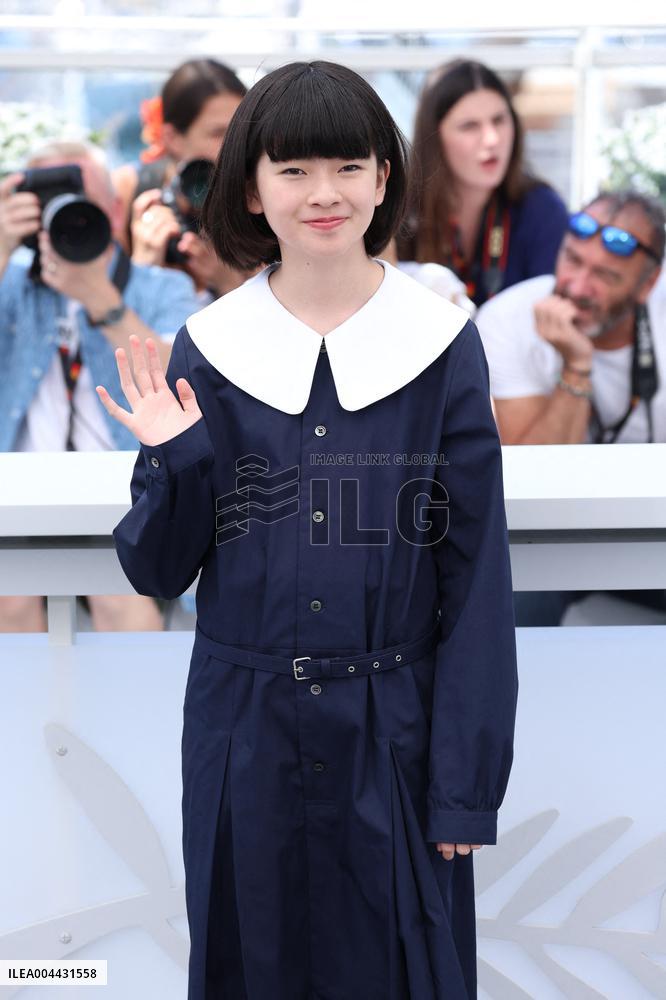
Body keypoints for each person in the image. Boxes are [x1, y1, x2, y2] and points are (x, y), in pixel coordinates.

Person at [97, 61, 518, 999]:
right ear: (252, 186)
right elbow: (160, 569)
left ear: (383, 179)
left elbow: (476, 576)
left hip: (394, 735)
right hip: (243, 735)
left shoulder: (441, 342)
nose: (323, 193)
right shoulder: (209, 345)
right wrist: (178, 457)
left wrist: (463, 786)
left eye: (347, 166)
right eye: (292, 169)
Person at [0, 140, 200, 632]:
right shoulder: (13, 280)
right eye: (51, 203)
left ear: (114, 209)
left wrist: (100, 299)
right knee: (10, 602)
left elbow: (185, 380)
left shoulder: (159, 286)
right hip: (21, 491)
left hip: (121, 494)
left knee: (120, 603)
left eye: (80, 199)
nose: (67, 216)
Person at [475, 190, 665, 626]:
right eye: (572, 259)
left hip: (656, 522)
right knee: (508, 604)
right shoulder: (508, 319)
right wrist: (576, 365)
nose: (577, 286)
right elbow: (529, 481)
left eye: (605, 275)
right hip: (557, 533)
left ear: (647, 284)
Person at [400, 59, 568, 308]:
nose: (491, 139)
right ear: (434, 138)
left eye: (499, 120)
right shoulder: (399, 211)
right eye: (470, 126)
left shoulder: (542, 209)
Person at [112, 58, 249, 302]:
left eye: (242, 131)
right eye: (218, 134)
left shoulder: (257, 199)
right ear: (172, 137)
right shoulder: (128, 191)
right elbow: (97, 318)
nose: (236, 146)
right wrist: (143, 268)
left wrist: (230, 283)